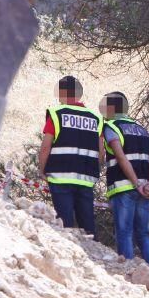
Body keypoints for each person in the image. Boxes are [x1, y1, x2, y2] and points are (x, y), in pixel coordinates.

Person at [36, 76, 102, 237]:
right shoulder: (96, 118)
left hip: (60, 177)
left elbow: (46, 147)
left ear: (63, 93)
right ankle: (92, 256)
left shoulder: (57, 113)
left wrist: (42, 170)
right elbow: (101, 153)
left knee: (65, 225)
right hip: (85, 179)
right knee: (88, 227)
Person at [100, 91, 149, 269]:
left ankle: (130, 275)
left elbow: (121, 158)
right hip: (144, 191)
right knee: (143, 235)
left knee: (124, 234)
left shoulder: (112, 127)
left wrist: (136, 183)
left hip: (124, 188)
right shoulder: (143, 130)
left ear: (111, 108)